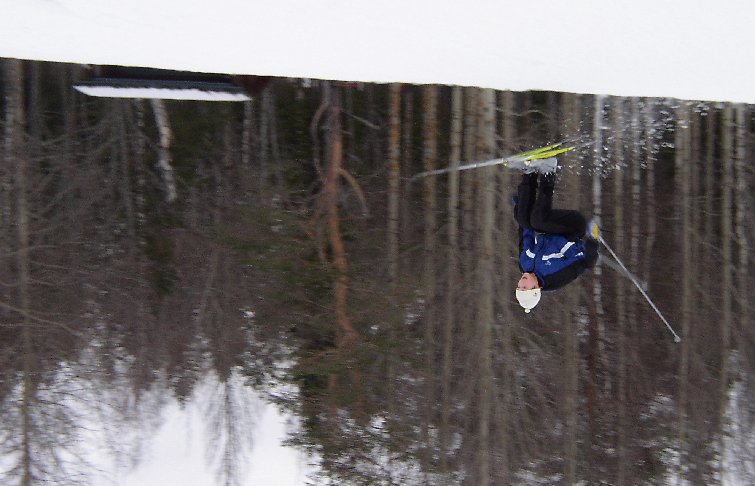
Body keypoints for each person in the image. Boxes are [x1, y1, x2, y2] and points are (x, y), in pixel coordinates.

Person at [513, 163, 599, 312]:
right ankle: (548, 173)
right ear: (536, 287)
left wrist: (521, 207)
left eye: (519, 286)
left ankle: (529, 173)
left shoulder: (524, 264)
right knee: (538, 220)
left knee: (524, 219)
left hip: (549, 227)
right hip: (572, 227)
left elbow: (525, 234)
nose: (522, 282)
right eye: (524, 287)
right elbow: (587, 263)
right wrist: (593, 240)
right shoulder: (555, 278)